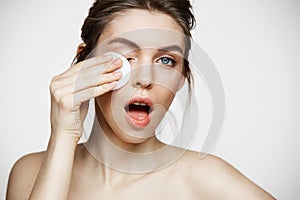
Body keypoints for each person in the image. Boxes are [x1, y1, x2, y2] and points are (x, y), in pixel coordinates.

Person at [6, 0, 275, 199]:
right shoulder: (30, 172)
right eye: (126, 58)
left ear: (181, 76)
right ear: (84, 62)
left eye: (166, 60)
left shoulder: (208, 181)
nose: (146, 78)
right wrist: (64, 136)